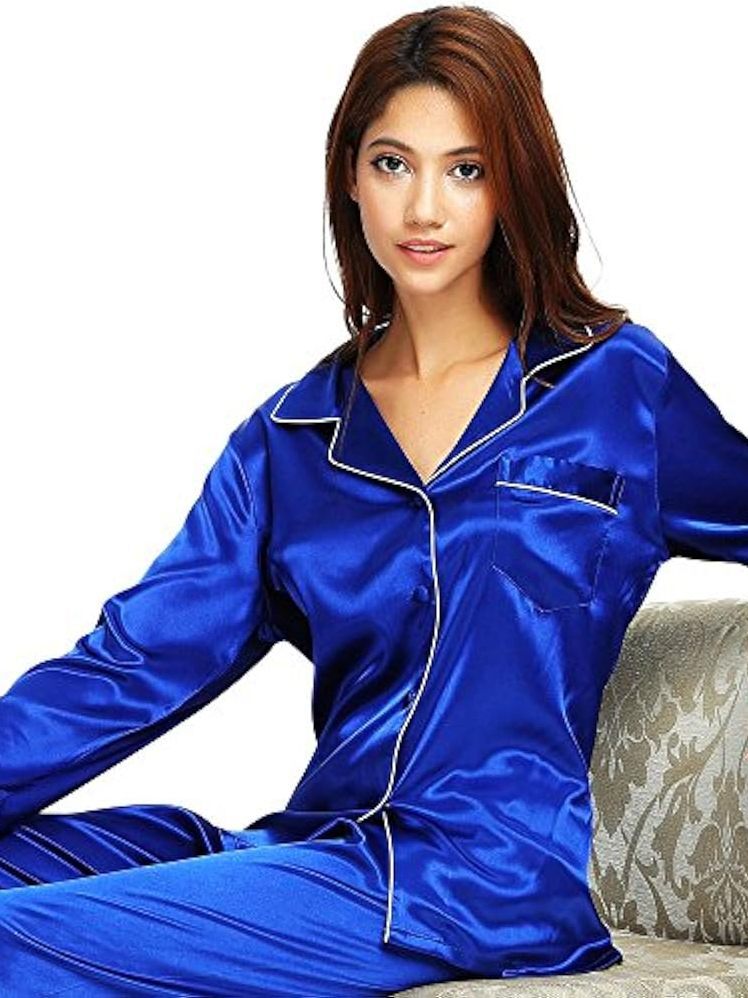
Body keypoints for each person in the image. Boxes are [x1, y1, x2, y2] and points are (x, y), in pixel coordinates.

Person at [1, 5, 747, 995]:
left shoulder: (614, 388)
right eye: (394, 164)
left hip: (471, 878)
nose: (424, 208)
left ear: (513, 182)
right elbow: (132, 664)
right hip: (316, 848)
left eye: (466, 169)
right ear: (350, 175)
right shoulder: (288, 440)